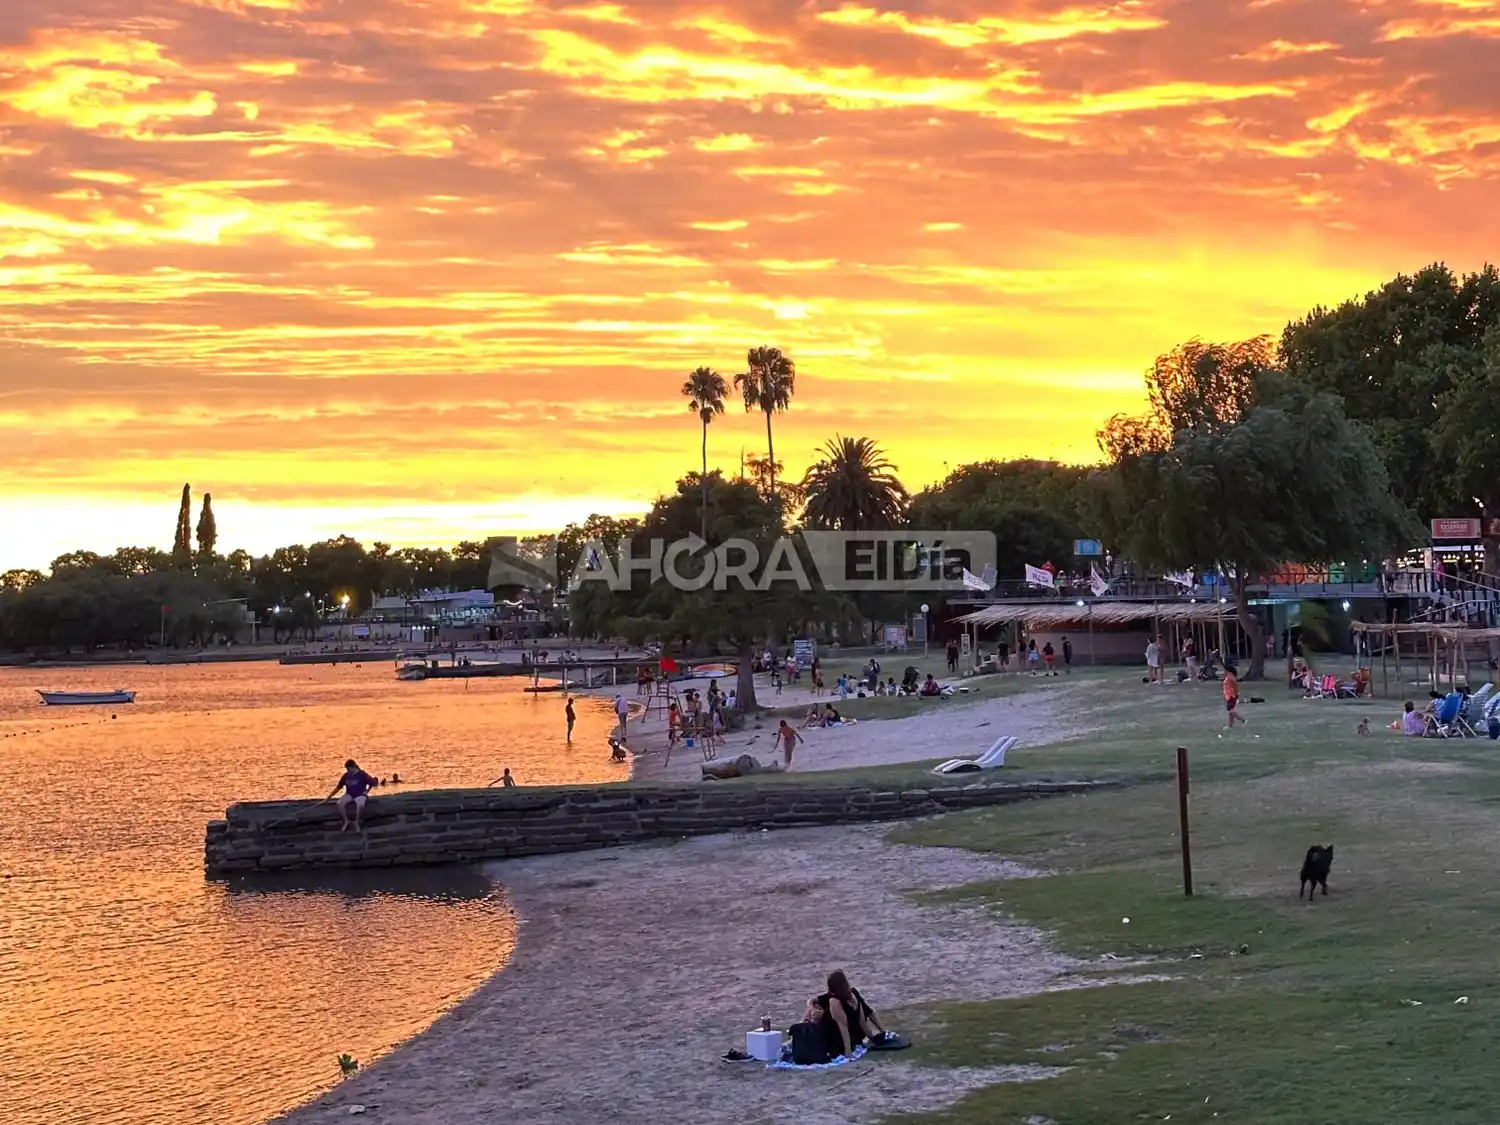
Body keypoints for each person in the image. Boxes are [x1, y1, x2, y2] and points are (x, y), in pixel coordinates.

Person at [811, 969, 889, 1059]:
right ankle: (884, 1032)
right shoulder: (853, 994)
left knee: (819, 1016)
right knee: (820, 1011)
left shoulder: (835, 1001)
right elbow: (863, 1020)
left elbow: (843, 1027)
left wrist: (848, 1051)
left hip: (839, 1041)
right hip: (856, 1037)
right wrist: (872, 1037)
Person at [327, 759, 376, 832]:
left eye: (348, 768)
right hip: (349, 794)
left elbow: (372, 783)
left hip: (360, 794)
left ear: (353, 767)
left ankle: (357, 822)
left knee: (360, 805)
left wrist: (367, 791)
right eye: (346, 769)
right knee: (339, 803)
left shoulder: (362, 774)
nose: (347, 770)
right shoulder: (346, 776)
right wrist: (329, 797)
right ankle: (346, 821)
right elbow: (338, 787)